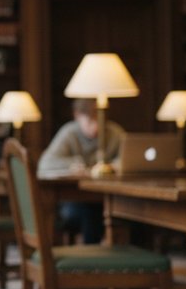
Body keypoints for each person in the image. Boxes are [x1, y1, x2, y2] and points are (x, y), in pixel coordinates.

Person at [36, 97, 125, 244]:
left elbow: (128, 159)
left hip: (108, 197)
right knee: (89, 210)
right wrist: (74, 165)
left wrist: (112, 167)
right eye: (90, 122)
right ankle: (92, 258)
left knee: (129, 211)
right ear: (77, 116)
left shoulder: (114, 132)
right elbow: (45, 164)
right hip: (73, 200)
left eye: (99, 121)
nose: (96, 128)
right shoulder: (69, 133)